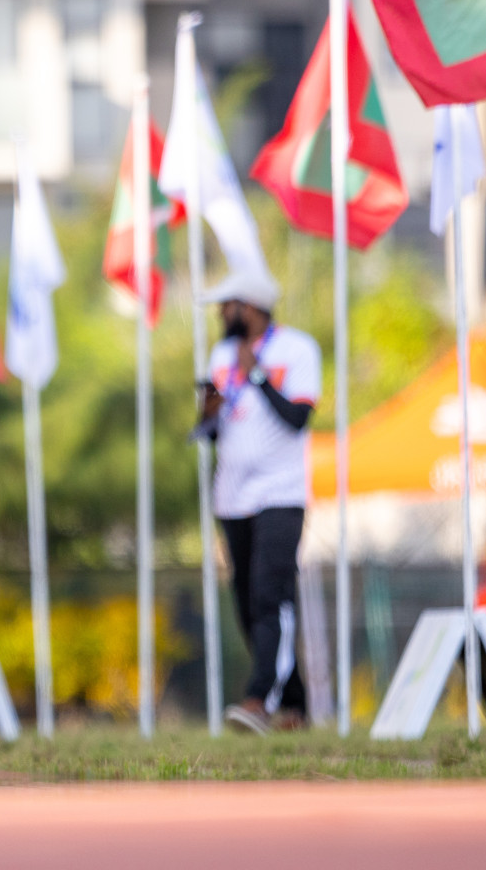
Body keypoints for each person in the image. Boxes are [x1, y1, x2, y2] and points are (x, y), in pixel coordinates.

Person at [195, 267, 320, 735]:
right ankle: (296, 704)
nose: (220, 314)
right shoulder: (220, 354)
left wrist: (261, 376)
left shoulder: (298, 349)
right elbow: (215, 431)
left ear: (248, 307)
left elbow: (297, 419)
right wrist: (206, 412)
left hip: (280, 494)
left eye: (225, 305)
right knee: (248, 605)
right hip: (232, 496)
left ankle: (258, 699)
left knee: (272, 597)